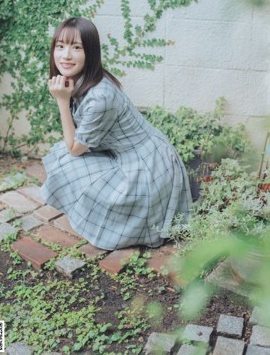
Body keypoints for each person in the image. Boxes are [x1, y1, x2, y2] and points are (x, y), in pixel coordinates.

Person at [41, 17, 192, 251]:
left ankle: (117, 220)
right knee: (63, 156)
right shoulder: (84, 81)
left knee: (67, 158)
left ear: (90, 52)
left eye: (76, 47)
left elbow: (74, 148)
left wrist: (62, 101)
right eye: (60, 46)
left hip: (147, 167)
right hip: (128, 155)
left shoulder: (100, 97)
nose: (66, 55)